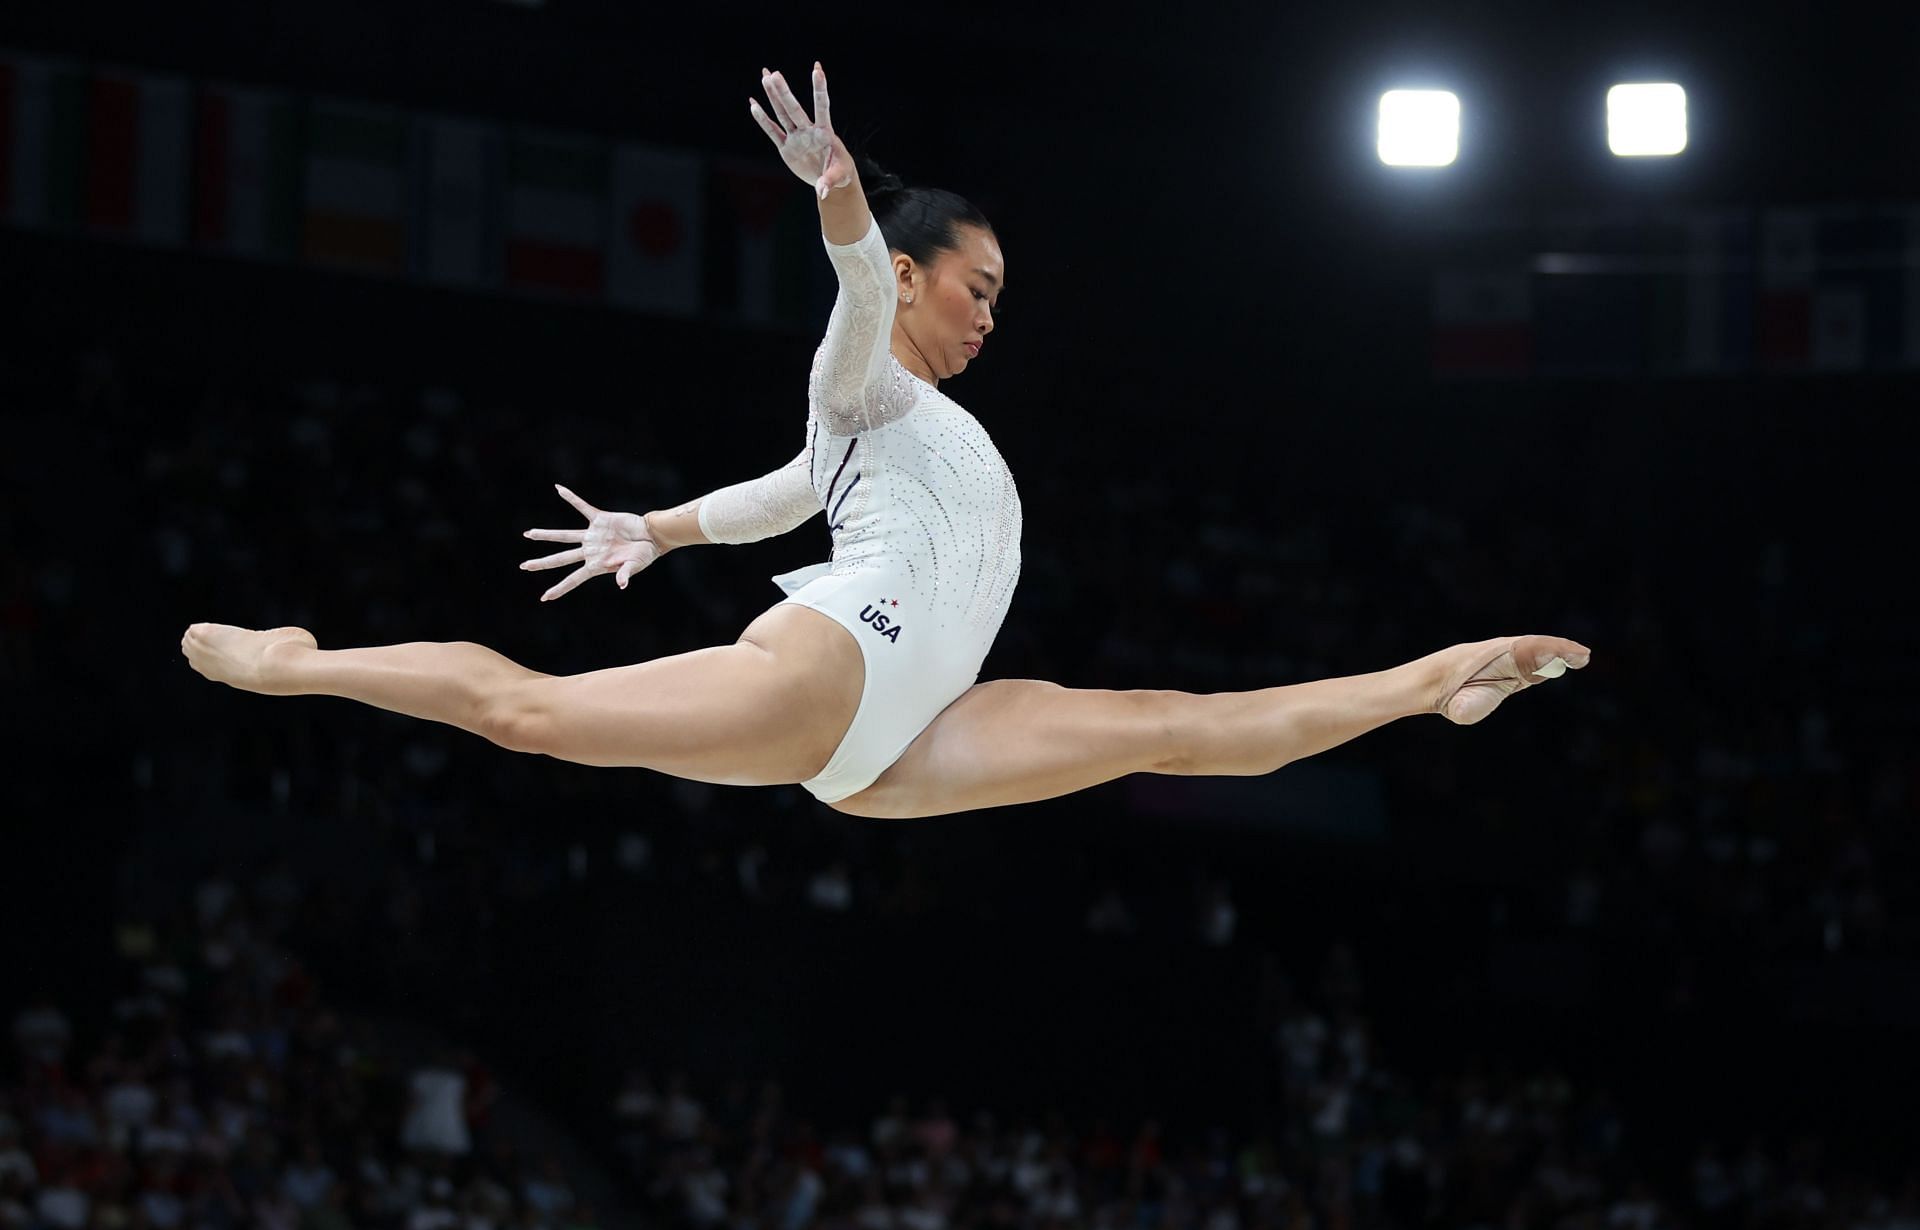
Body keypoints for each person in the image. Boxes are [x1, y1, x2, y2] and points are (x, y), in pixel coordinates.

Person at [181, 62, 1590, 821]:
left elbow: (795, 488)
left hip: (908, 746)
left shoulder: (887, 429)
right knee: (532, 715)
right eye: (975, 289)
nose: (989, 318)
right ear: (919, 278)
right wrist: (843, 197)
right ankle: (298, 664)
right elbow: (854, 296)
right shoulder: (864, 362)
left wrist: (658, 529)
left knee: (1185, 733)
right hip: (836, 665)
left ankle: (1432, 684)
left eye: (1000, 299)